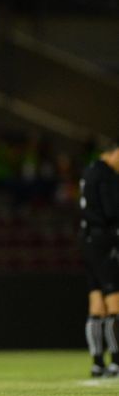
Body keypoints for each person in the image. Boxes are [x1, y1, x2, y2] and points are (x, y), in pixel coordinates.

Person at [79, 141, 119, 378]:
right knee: (114, 301)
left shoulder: (89, 170)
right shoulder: (106, 174)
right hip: (104, 239)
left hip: (86, 239)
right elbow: (112, 210)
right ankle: (115, 361)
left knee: (96, 301)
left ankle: (97, 363)